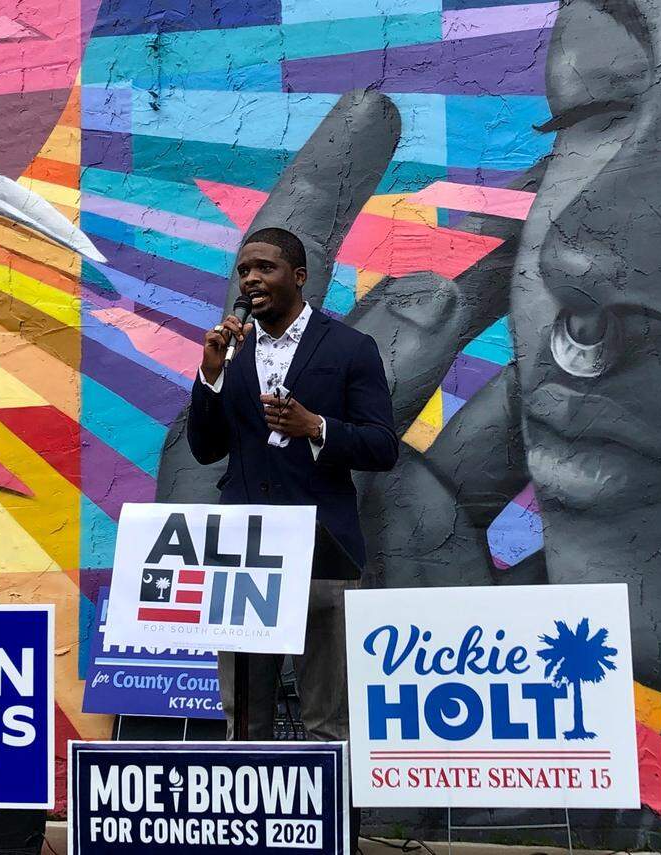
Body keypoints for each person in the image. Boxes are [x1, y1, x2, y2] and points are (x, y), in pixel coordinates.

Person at [187, 225, 398, 850]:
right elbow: (205, 449)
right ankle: (248, 836)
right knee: (242, 716)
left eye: (266, 268)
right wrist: (211, 375)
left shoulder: (349, 348)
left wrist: (316, 426)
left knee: (325, 716)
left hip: (324, 556)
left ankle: (328, 837)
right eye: (244, 269)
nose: (251, 278)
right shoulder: (233, 350)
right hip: (246, 558)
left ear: (299, 277)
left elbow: (383, 446)